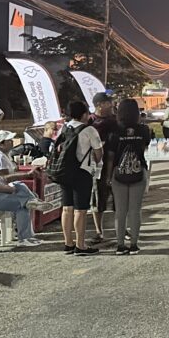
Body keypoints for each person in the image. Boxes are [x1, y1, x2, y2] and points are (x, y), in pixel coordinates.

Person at [104, 99, 151, 255]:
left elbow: (110, 156)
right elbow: (144, 148)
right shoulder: (143, 129)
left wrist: (108, 176)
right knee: (135, 210)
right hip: (138, 171)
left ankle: (120, 245)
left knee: (121, 211)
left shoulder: (114, 131)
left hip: (118, 173)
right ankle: (134, 244)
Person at [59, 101, 103, 256]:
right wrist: (96, 163)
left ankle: (68, 243)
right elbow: (98, 153)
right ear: (84, 114)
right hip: (82, 172)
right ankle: (81, 245)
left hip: (64, 172)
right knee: (81, 210)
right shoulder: (89, 130)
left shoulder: (64, 128)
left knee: (66, 208)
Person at [89, 92, 118, 243]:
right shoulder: (90, 121)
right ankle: (99, 231)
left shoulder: (115, 120)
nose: (111, 104)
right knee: (97, 199)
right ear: (100, 104)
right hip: (97, 167)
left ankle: (121, 229)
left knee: (118, 200)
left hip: (116, 165)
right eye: (108, 102)